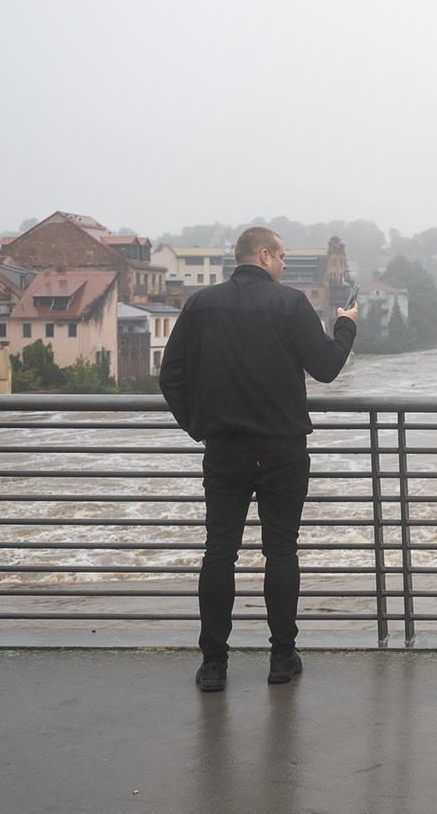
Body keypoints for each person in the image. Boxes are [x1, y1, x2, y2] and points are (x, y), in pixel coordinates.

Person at [159, 226, 358, 692]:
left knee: (219, 554)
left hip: (223, 449)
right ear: (264, 255)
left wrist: (198, 426)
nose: (286, 264)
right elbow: (326, 368)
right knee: (281, 552)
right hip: (282, 450)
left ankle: (213, 666)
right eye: (283, 256)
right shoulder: (290, 304)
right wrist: (347, 324)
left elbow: (171, 375)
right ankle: (282, 660)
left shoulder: (201, 305)